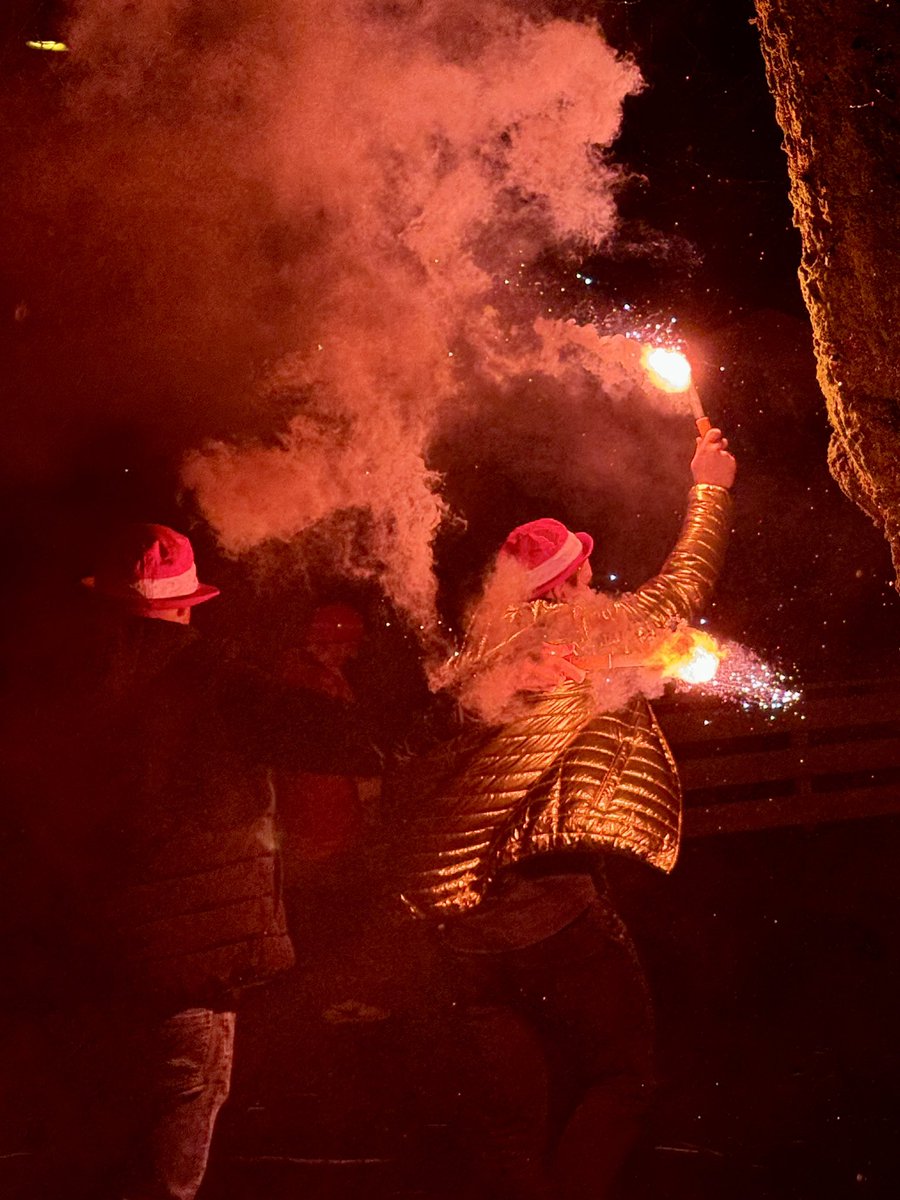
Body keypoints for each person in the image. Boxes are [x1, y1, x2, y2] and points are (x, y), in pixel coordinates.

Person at [390, 428, 736, 1199]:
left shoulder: (466, 660)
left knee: (509, 1125)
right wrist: (709, 488)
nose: (590, 583)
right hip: (554, 913)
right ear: (563, 583)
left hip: (464, 933)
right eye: (580, 572)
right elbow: (681, 590)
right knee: (624, 1078)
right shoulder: (570, 638)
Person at [1, 523, 374, 1200]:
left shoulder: (47, 682)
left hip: (75, 976)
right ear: (187, 602)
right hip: (186, 984)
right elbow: (345, 742)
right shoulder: (212, 680)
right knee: (162, 1180)